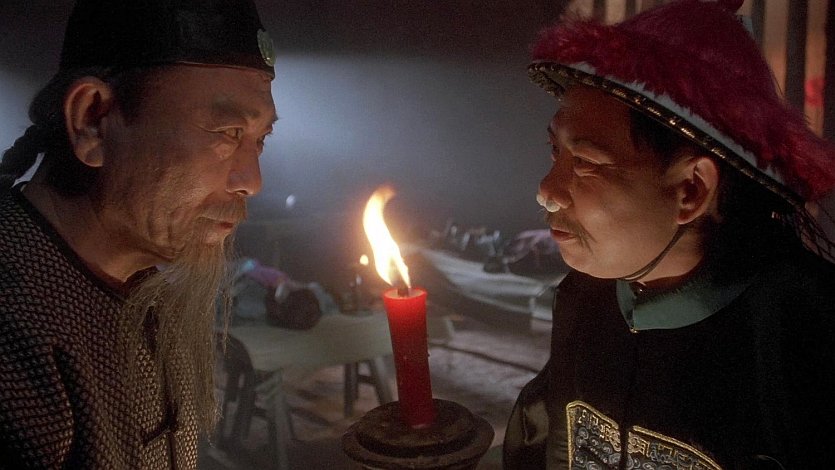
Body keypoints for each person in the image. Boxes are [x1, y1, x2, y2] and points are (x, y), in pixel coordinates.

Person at [503, 0, 835, 468]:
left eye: (586, 163)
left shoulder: (805, 341)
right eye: (555, 151)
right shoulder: (585, 298)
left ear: (690, 189)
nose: (546, 191)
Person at [0, 0, 277, 467]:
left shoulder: (145, 287)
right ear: (93, 121)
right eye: (228, 132)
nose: (252, 181)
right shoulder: (16, 339)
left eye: (260, 140)